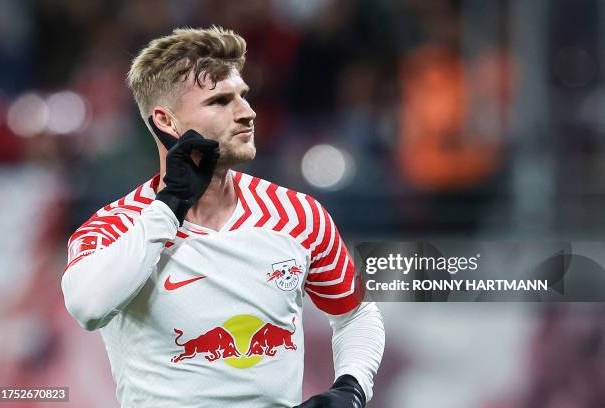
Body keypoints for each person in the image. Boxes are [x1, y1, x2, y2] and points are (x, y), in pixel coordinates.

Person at [61, 26, 384, 408]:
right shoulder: (116, 225)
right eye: (220, 101)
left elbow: (355, 313)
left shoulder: (299, 214)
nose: (247, 113)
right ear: (166, 122)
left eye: (243, 96)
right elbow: (88, 307)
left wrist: (352, 388)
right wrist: (169, 206)